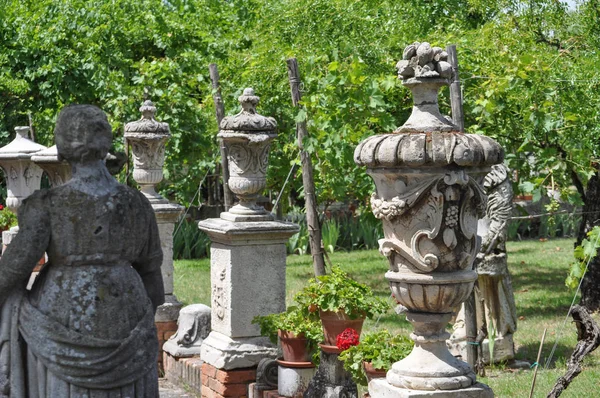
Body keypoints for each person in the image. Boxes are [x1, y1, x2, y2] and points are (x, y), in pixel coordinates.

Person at [0, 105, 164, 397]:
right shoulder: (137, 203)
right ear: (106, 147)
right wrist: (141, 321)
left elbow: (13, 269)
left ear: (62, 149)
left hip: (61, 318)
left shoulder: (47, 204)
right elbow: (153, 279)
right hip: (127, 313)